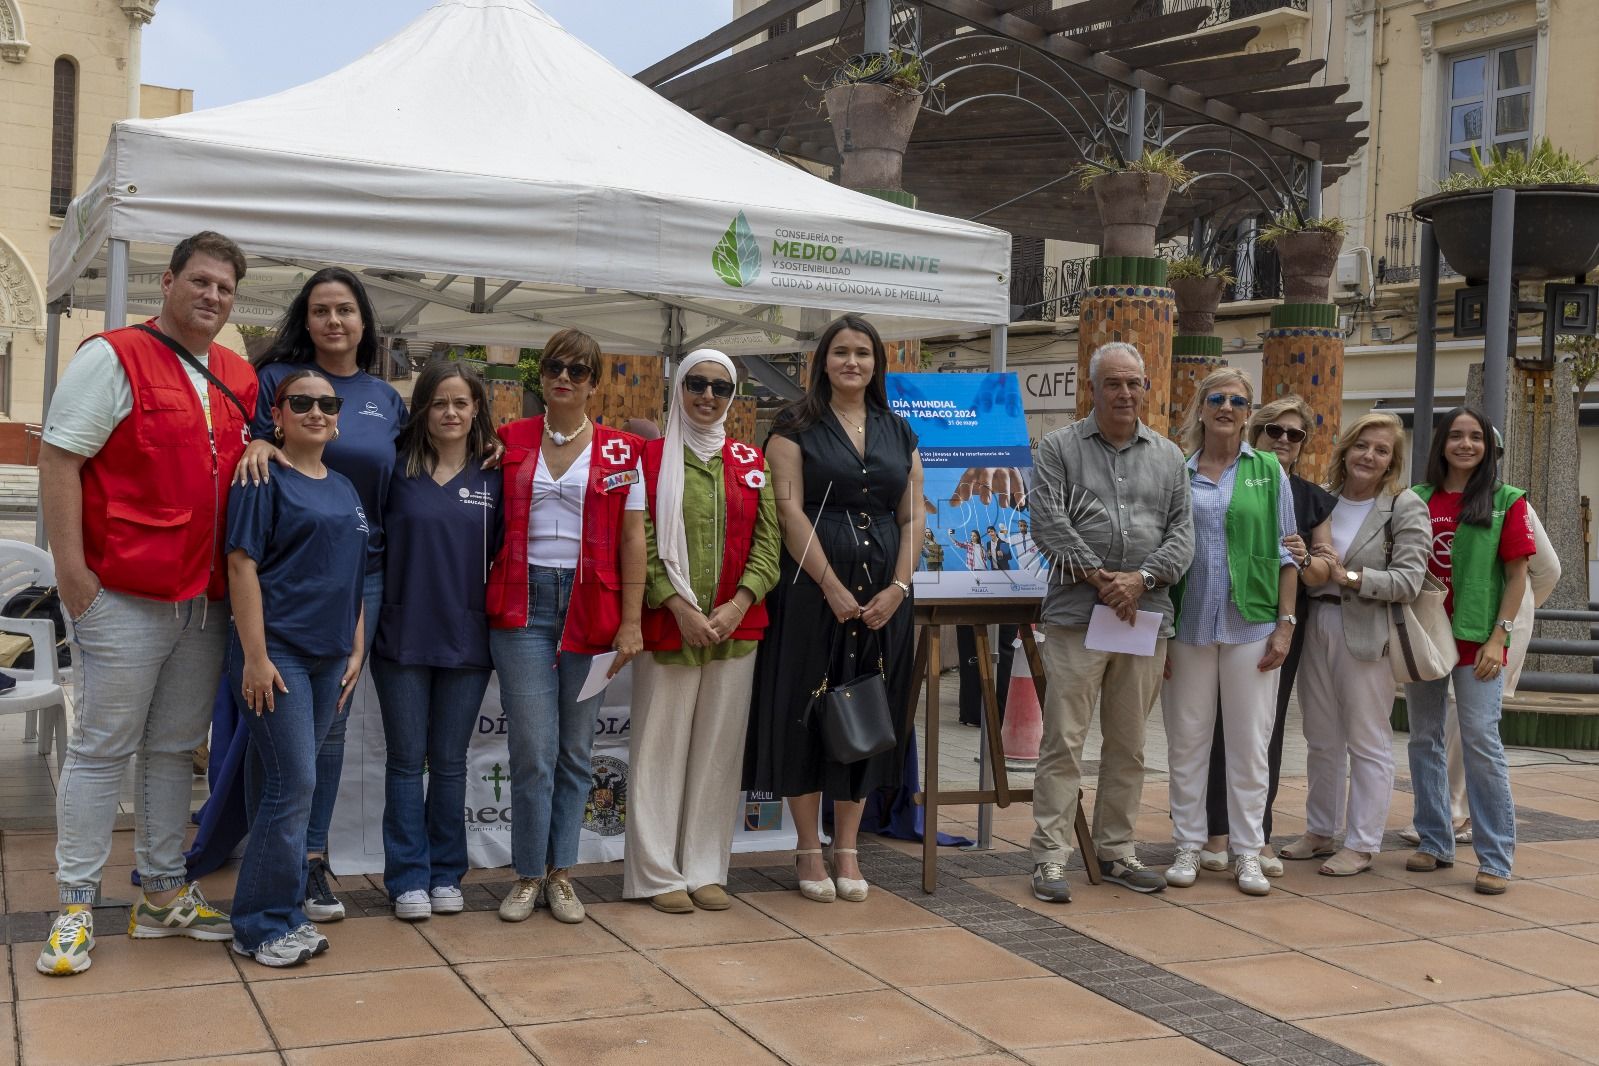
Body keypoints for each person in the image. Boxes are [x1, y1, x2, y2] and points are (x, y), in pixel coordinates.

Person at [37, 231, 255, 976]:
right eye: (200, 281)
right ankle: (73, 904)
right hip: (122, 596)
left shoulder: (234, 372)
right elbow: (61, 458)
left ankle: (162, 892)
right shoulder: (114, 356)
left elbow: (250, 452)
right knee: (102, 748)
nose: (212, 297)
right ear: (166, 282)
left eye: (225, 288)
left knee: (171, 750)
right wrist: (74, 579)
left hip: (203, 601)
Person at [235, 267, 406, 923]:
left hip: (360, 571)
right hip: (285, 566)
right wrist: (256, 437)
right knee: (276, 729)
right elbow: (259, 440)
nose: (333, 321)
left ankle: (307, 862)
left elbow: (415, 467)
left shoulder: (386, 398)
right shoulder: (280, 381)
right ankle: (272, 864)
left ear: (364, 319)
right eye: (319, 310)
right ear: (304, 321)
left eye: (345, 310)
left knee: (325, 731)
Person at [745, 314, 925, 903]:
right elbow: (789, 511)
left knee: (868, 716)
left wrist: (898, 588)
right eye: (842, 352)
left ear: (877, 364)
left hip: (883, 597)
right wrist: (830, 585)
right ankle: (807, 846)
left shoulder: (901, 432)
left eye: (864, 353)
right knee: (806, 710)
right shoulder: (794, 425)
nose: (853, 362)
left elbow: (913, 515)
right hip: (811, 591)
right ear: (823, 360)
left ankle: (847, 846)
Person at [487, 327, 646, 923]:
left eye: (578, 371)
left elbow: (634, 537)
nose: (564, 378)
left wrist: (631, 622)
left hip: (593, 610)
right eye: (555, 367)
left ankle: (562, 873)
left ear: (594, 383)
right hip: (521, 606)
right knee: (533, 749)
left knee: (577, 751)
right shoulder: (507, 440)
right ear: (541, 375)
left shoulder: (620, 450)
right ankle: (528, 872)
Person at [1026, 342, 1193, 902]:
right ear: (1092, 389)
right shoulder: (1058, 448)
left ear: (1146, 388)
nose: (1125, 394)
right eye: (1114, 384)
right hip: (1079, 615)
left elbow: (1182, 537)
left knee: (1129, 744)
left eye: (1134, 384)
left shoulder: (1169, 457)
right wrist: (1105, 580)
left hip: (1144, 617)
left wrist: (1139, 581)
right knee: (1064, 740)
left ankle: (1117, 851)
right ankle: (1050, 857)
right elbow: (1047, 523)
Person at [624, 350, 781, 913]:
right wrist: (678, 607)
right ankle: (656, 872)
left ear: (732, 396)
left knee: (718, 750)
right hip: (672, 626)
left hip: (735, 628)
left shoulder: (748, 460)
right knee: (658, 749)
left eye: (719, 387)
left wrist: (738, 604)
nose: (707, 396)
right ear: (679, 388)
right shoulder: (652, 458)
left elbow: (769, 542)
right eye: (696, 383)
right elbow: (637, 537)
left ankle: (706, 868)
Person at [225, 370, 367, 966]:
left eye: (326, 403)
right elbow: (241, 564)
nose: (316, 411)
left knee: (277, 787)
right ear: (277, 415)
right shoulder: (262, 475)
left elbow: (353, 572)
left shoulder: (346, 488)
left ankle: (277, 912)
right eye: (300, 402)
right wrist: (255, 658)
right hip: (278, 653)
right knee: (295, 784)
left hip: (332, 655)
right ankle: (261, 924)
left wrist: (357, 645)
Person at [370, 362, 503, 920]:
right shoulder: (395, 470)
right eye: (440, 402)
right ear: (421, 408)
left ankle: (447, 872)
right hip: (401, 636)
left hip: (467, 638)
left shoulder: (495, 475)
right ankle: (407, 880)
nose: (451, 412)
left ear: (476, 411)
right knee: (405, 762)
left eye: (462, 403)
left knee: (449, 763)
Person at [1162, 367, 1298, 897]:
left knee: (1249, 745)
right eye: (1216, 398)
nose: (1226, 407)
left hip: (1253, 624)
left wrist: (1285, 626)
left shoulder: (1268, 470)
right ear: (1200, 408)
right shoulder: (1179, 471)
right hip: (1187, 623)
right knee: (1186, 741)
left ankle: (1247, 852)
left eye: (1237, 401)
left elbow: (1289, 552)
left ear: (1248, 413)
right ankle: (1189, 844)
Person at [1283, 412, 1429, 875]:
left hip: (1368, 632)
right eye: (1362, 445)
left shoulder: (1403, 507)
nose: (1369, 455)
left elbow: (1408, 580)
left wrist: (1345, 576)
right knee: (1320, 737)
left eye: (1381, 450)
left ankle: (1363, 842)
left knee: (1368, 740)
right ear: (1346, 449)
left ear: (1392, 463)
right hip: (1316, 625)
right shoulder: (1321, 502)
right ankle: (1320, 829)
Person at [1203, 396, 1334, 877]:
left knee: (1263, 731)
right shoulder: (1223, 476)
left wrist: (1303, 557)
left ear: (1303, 445)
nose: (1283, 440)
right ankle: (1214, 830)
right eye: (1274, 430)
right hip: (1218, 616)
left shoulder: (1310, 496)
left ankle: (1256, 834)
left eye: (1294, 434)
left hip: (1282, 620)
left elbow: (1325, 567)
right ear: (1255, 431)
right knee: (1210, 725)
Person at [1405, 407, 1533, 895]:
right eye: (1455, 436)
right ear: (1441, 444)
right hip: (1425, 637)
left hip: (1478, 641)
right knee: (1424, 739)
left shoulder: (1506, 501)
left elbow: (1519, 574)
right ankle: (1435, 840)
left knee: (1481, 741)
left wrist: (1500, 638)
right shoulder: (1416, 499)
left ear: (1486, 447)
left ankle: (1496, 856)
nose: (1465, 444)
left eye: (1475, 437)